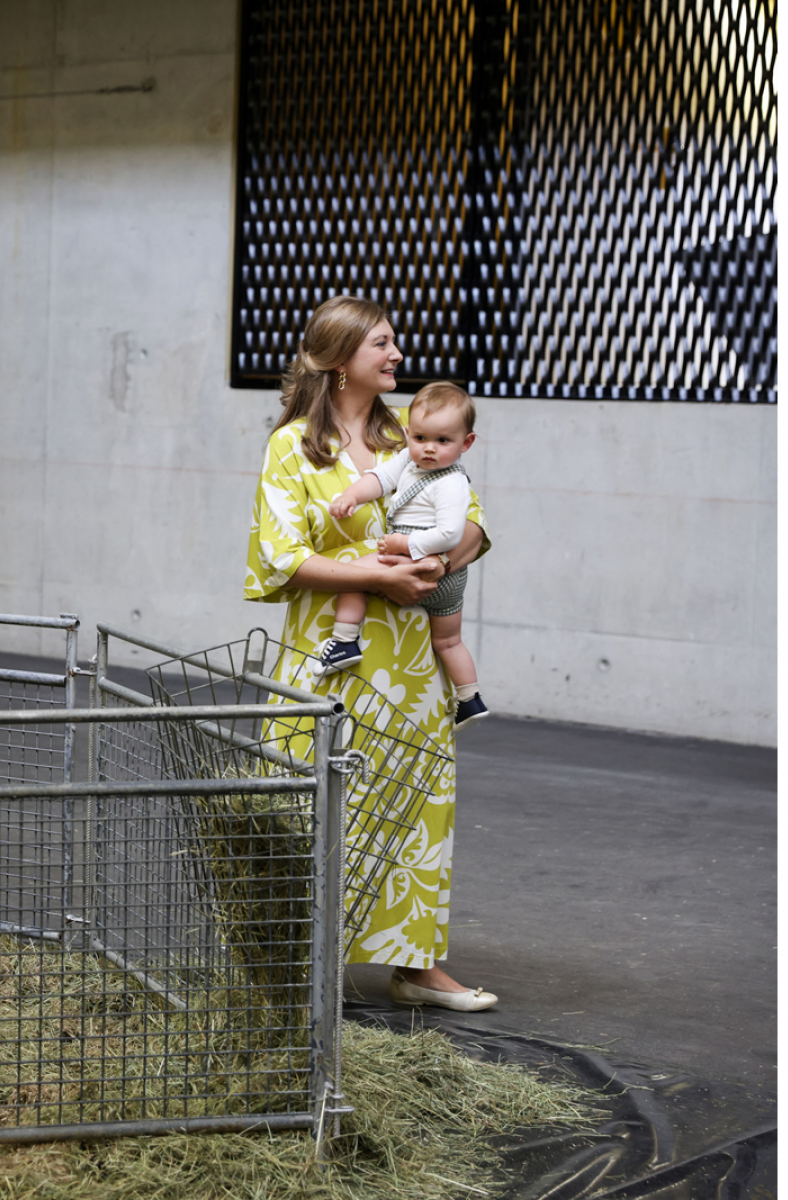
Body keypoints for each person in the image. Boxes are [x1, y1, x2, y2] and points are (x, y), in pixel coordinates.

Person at [244, 295, 499, 1012]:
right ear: (339, 359)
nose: (396, 355)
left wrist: (438, 565)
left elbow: (472, 520)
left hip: (412, 664)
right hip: (330, 656)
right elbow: (280, 556)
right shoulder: (293, 446)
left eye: (393, 343)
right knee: (310, 808)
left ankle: (416, 967)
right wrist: (379, 574)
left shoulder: (410, 436)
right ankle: (285, 969)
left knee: (416, 807)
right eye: (381, 344)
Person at [323, 381, 489, 728]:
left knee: (354, 575)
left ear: (466, 443)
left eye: (443, 441)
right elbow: (381, 479)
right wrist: (354, 495)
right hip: (450, 580)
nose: (429, 449)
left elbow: (451, 533)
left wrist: (406, 546)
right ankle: (469, 699)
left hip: (422, 555)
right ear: (409, 434)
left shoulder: (451, 483)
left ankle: (343, 642)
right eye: (420, 438)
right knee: (447, 640)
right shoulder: (410, 462)